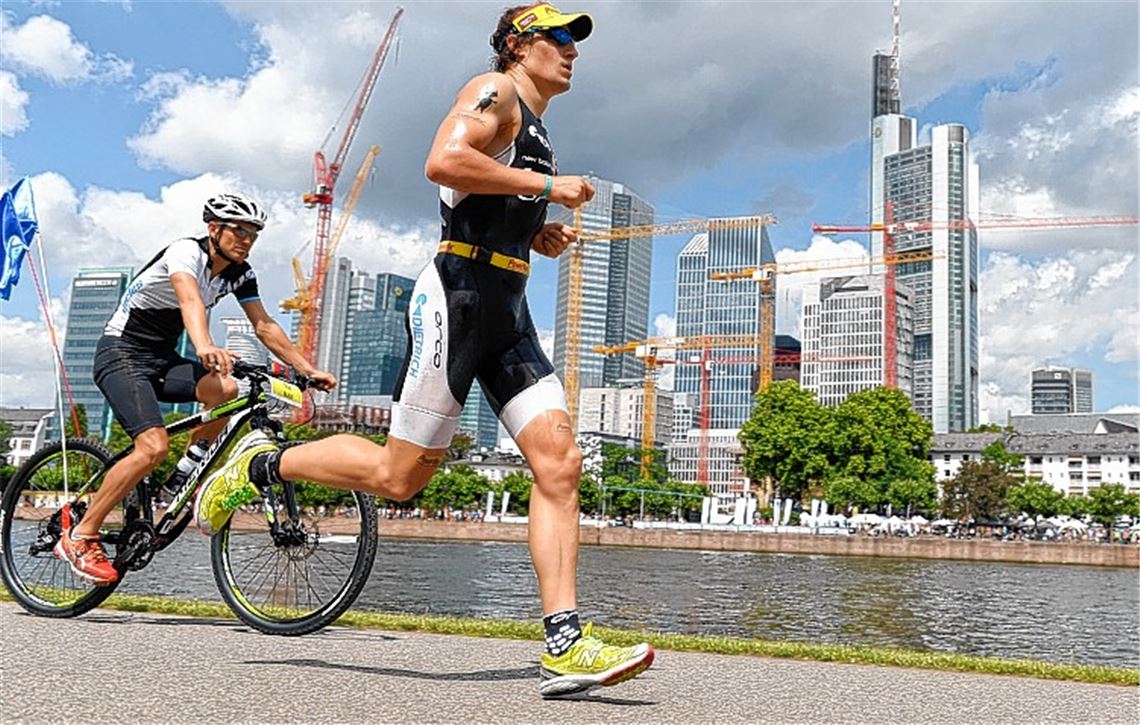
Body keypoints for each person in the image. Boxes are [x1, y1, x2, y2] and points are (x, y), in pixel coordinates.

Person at [196, 3, 654, 698]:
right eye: (559, 38)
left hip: (510, 309)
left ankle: (565, 641)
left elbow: (472, 193)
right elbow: (442, 159)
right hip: (457, 298)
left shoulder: (539, 131)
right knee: (398, 476)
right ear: (517, 46)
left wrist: (536, 232)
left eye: (575, 41)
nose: (572, 51)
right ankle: (260, 465)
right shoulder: (491, 91)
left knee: (560, 459)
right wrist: (545, 189)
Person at [54, 192, 336, 586]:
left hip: (161, 359)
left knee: (227, 389)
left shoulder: (240, 273)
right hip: (121, 354)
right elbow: (189, 301)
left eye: (253, 234)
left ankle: (190, 467)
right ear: (213, 229)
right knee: (152, 447)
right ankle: (81, 536)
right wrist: (203, 346)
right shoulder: (185, 252)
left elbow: (265, 325)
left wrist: (307, 370)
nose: (246, 240)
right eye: (239, 231)